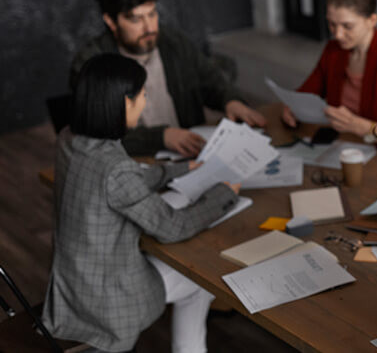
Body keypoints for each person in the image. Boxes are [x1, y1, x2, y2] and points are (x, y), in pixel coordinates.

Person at [44, 53, 241, 352]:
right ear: (125, 102)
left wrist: (175, 170)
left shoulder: (70, 138)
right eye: (143, 96)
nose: (145, 101)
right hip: (109, 301)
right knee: (199, 285)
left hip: (71, 284)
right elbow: (173, 228)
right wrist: (226, 194)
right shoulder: (115, 168)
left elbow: (115, 183)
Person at [70, 0, 266, 157]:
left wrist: (230, 100)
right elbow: (94, 135)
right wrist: (161, 137)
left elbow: (210, 80)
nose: (149, 28)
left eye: (152, 14)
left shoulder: (173, 42)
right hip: (130, 163)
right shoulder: (92, 64)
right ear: (111, 22)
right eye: (136, 19)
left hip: (188, 154)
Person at [281, 0, 377, 150]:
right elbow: (308, 90)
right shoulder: (334, 51)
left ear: (372, 20)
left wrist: (364, 127)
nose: (338, 35)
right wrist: (293, 106)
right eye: (332, 24)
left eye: (347, 26)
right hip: (339, 142)